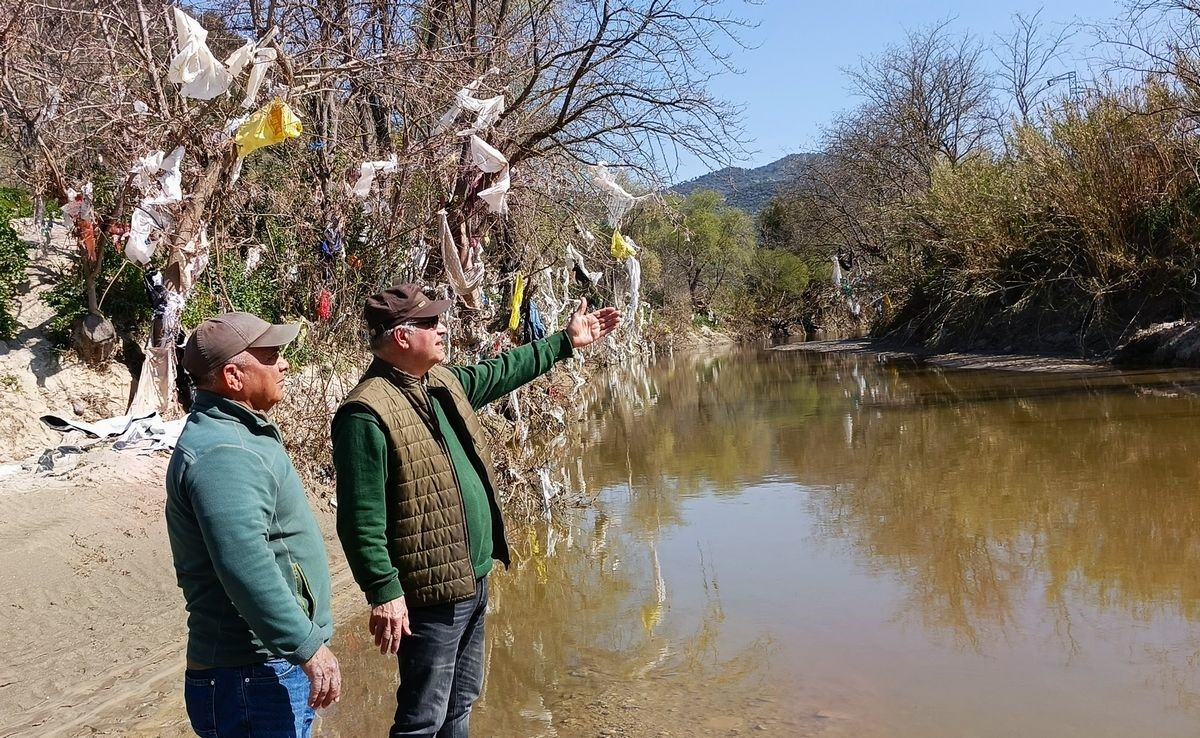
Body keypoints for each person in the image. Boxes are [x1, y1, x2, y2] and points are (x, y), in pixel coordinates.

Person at [333, 284, 620, 737]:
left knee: (461, 702)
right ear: (402, 337)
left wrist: (564, 342)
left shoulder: (442, 382)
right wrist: (383, 591)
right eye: (432, 323)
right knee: (421, 717)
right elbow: (359, 519)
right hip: (430, 594)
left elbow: (502, 370)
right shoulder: (365, 412)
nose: (444, 328)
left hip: (472, 575)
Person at [165, 312, 341, 738]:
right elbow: (245, 563)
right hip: (251, 674)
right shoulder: (224, 452)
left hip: (257, 671)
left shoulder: (237, 433)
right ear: (233, 375)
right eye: (271, 356)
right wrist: (307, 646)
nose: (284, 365)